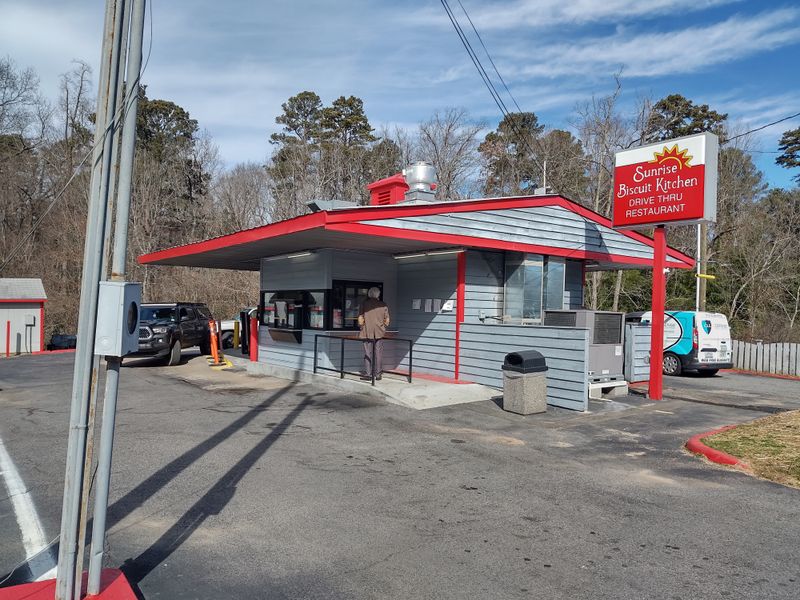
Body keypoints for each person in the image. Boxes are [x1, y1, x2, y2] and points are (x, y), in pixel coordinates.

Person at [358, 287, 390, 380]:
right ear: (378, 294)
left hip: (367, 331)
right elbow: (387, 320)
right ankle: (378, 374)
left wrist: (361, 326)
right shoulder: (383, 305)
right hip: (379, 332)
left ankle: (368, 374)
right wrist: (383, 326)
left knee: (368, 353)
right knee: (378, 353)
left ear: (369, 294)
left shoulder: (364, 304)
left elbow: (360, 318)